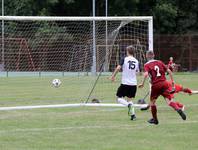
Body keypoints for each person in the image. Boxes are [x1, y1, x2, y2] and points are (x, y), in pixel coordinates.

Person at [139, 51, 186, 125]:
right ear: (154, 55)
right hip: (165, 83)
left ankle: (155, 120)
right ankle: (178, 109)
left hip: (156, 85)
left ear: (146, 56)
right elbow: (169, 71)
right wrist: (173, 82)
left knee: (152, 103)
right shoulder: (160, 62)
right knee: (169, 101)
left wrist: (142, 83)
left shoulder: (146, 65)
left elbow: (145, 74)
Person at [109, 45, 139, 120]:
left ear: (127, 51)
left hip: (125, 83)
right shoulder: (136, 61)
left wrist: (113, 76)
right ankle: (133, 116)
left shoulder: (124, 59)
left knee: (118, 98)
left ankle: (128, 105)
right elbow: (138, 72)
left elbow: (118, 67)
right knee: (130, 99)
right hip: (133, 84)